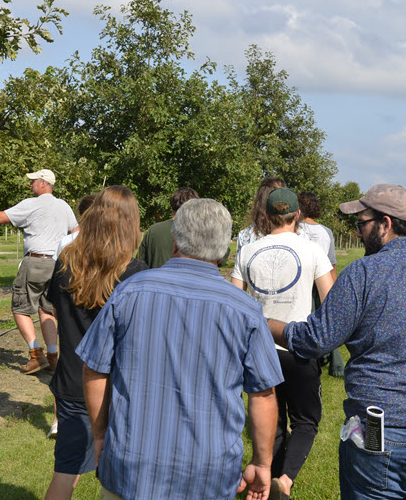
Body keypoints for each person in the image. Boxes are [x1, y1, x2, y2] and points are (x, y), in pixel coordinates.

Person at [77, 198, 284, 500]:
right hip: (208, 473)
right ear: (226, 248)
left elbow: (94, 368)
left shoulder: (131, 292)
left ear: (175, 240)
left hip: (130, 465)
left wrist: (99, 435)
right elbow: (263, 394)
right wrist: (262, 463)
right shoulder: (245, 310)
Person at [268, 184, 406, 500]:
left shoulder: (364, 273)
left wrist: (267, 324)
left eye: (361, 224)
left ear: (385, 224)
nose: (358, 233)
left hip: (379, 434)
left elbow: (315, 339)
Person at [44, 186, 147, 500]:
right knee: (122, 478)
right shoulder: (135, 274)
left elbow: (50, 309)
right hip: (118, 388)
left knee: (66, 472)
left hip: (73, 381)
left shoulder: (64, 265)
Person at [231, 188, 333, 499]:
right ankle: (285, 481)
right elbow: (332, 303)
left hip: (259, 349)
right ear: (297, 215)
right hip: (298, 348)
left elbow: (234, 299)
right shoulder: (311, 250)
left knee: (270, 420)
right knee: (305, 421)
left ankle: (266, 480)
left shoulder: (248, 251)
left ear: (267, 215)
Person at [0, 169, 78, 374]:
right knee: (46, 309)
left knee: (20, 308)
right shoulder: (64, 206)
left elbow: (0, 218)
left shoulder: (31, 204)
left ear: (44, 183)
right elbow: (76, 231)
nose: (30, 185)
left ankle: (36, 355)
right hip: (57, 265)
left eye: (33, 181)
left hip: (34, 263)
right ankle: (53, 357)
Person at [48, 193, 96, 440]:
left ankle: (58, 421)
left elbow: (56, 286)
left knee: (67, 363)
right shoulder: (110, 248)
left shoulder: (66, 244)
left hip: (69, 310)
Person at [297, 191, 344, 378]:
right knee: (322, 321)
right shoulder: (326, 232)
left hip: (301, 280)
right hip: (321, 281)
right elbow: (331, 264)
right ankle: (333, 361)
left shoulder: (294, 230)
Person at [137, 187, 199, 268]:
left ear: (172, 206)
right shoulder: (201, 232)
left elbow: (139, 263)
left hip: (155, 280)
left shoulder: (154, 231)